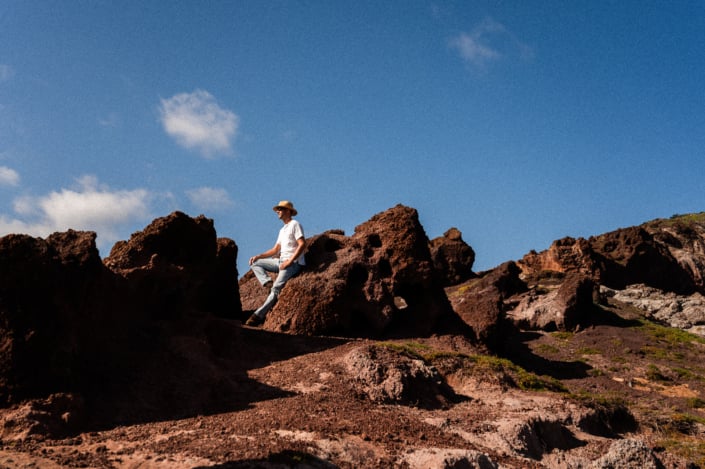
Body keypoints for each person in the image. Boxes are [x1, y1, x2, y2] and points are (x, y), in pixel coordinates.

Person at [245, 200, 306, 326]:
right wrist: (258, 256)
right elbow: (275, 249)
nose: (278, 211)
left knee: (276, 289)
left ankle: (257, 316)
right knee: (255, 263)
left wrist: (290, 261)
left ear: (288, 211)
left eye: (281, 209)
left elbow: (302, 244)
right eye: (277, 209)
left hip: (293, 263)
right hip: (281, 261)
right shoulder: (282, 229)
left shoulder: (295, 224)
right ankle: (267, 283)